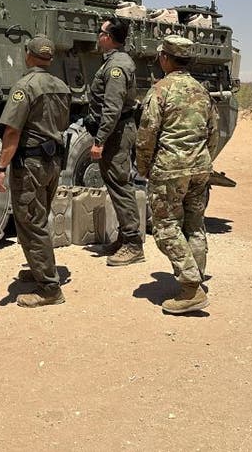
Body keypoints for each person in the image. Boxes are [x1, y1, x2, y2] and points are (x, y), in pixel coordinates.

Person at [135, 35, 219, 314]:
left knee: (165, 227)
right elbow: (213, 133)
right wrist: (204, 161)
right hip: (199, 168)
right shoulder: (202, 91)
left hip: (171, 169)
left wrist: (144, 167)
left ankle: (190, 287)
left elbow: (147, 135)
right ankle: (196, 277)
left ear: (165, 58)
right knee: (194, 224)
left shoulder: (160, 90)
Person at [0, 35, 71, 307]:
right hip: (53, 161)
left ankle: (49, 288)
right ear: (49, 58)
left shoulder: (24, 86)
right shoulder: (61, 86)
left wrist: (1, 165)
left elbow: (13, 131)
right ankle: (41, 268)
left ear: (28, 55)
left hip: (31, 164)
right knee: (38, 218)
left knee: (31, 222)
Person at [84, 17, 144, 265]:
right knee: (116, 184)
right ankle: (125, 236)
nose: (98, 36)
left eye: (101, 32)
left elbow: (113, 108)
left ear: (108, 38)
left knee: (121, 185)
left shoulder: (117, 66)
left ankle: (133, 244)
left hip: (117, 133)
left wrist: (99, 141)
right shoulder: (113, 61)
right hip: (116, 131)